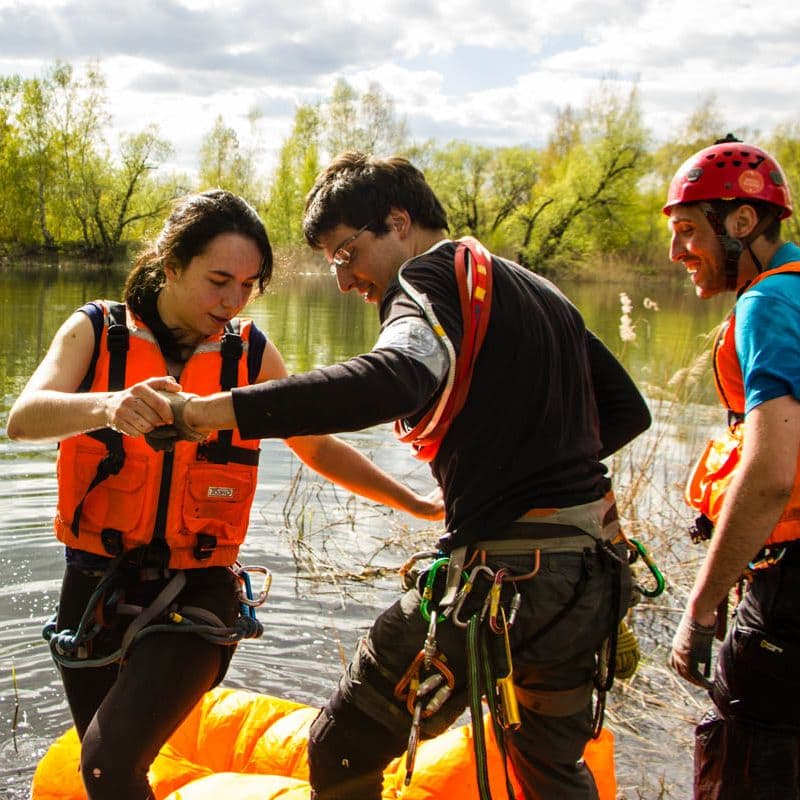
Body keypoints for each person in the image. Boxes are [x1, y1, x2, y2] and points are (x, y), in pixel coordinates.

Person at [173, 153, 652, 800]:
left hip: (504, 583)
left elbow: (397, 376)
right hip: (587, 578)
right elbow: (626, 409)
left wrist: (213, 411)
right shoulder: (538, 291)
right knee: (546, 766)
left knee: (340, 748)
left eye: (345, 254)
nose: (343, 281)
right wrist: (525, 467)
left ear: (398, 222)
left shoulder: (429, 278)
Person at [6, 188, 443, 800]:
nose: (233, 300)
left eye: (249, 285)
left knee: (107, 761)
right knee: (102, 774)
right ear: (171, 264)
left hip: (199, 591)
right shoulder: (96, 330)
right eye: (218, 280)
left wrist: (416, 502)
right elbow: (23, 418)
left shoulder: (250, 353)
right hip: (94, 589)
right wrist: (108, 405)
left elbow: (316, 448)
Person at [664, 135, 800, 799]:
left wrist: (702, 605)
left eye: (688, 230)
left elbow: (773, 473)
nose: (677, 253)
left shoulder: (768, 304)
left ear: (741, 223)